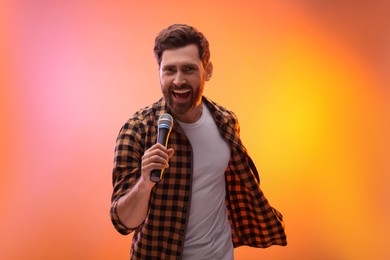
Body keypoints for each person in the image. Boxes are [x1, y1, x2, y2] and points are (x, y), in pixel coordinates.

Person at [110, 24, 287, 259]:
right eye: (169, 70)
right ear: (159, 72)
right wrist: (145, 182)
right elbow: (123, 223)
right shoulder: (136, 130)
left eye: (189, 69)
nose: (178, 80)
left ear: (208, 71)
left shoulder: (226, 121)